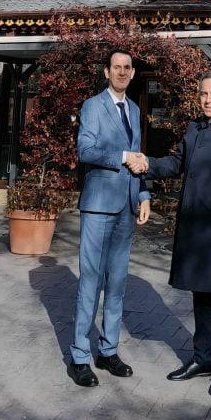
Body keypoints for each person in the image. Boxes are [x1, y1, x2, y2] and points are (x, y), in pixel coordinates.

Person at [127, 70, 211, 397]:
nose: (208, 100)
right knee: (200, 294)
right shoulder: (194, 128)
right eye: (203, 94)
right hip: (195, 228)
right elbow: (176, 164)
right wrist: (147, 163)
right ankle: (202, 359)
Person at [69, 49, 150, 387]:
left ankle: (108, 351)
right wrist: (123, 155)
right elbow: (85, 150)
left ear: (133, 73)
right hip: (99, 206)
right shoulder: (93, 106)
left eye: (126, 67)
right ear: (106, 72)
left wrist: (143, 195)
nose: (121, 72)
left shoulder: (134, 109)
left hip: (127, 208)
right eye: (116, 67)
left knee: (117, 283)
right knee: (90, 281)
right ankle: (79, 357)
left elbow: (139, 158)